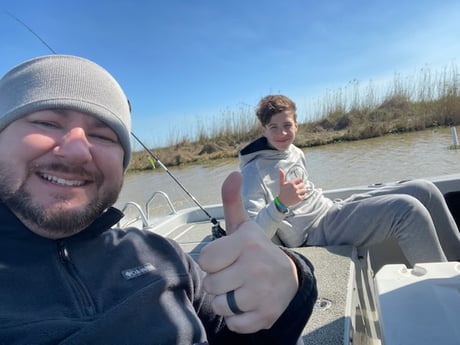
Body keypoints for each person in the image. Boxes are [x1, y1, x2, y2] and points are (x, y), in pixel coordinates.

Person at [0, 56, 318, 345]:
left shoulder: (160, 254)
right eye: (47, 122)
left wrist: (292, 284)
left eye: (103, 135)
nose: (78, 150)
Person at [239, 94, 460, 266]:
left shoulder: (294, 151)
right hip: (313, 233)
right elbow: (253, 235)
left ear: (296, 124)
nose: (282, 134)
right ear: (263, 130)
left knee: (424, 189)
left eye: (287, 125)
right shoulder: (253, 172)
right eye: (274, 128)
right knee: (406, 210)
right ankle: (445, 292)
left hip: (330, 209)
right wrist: (280, 204)